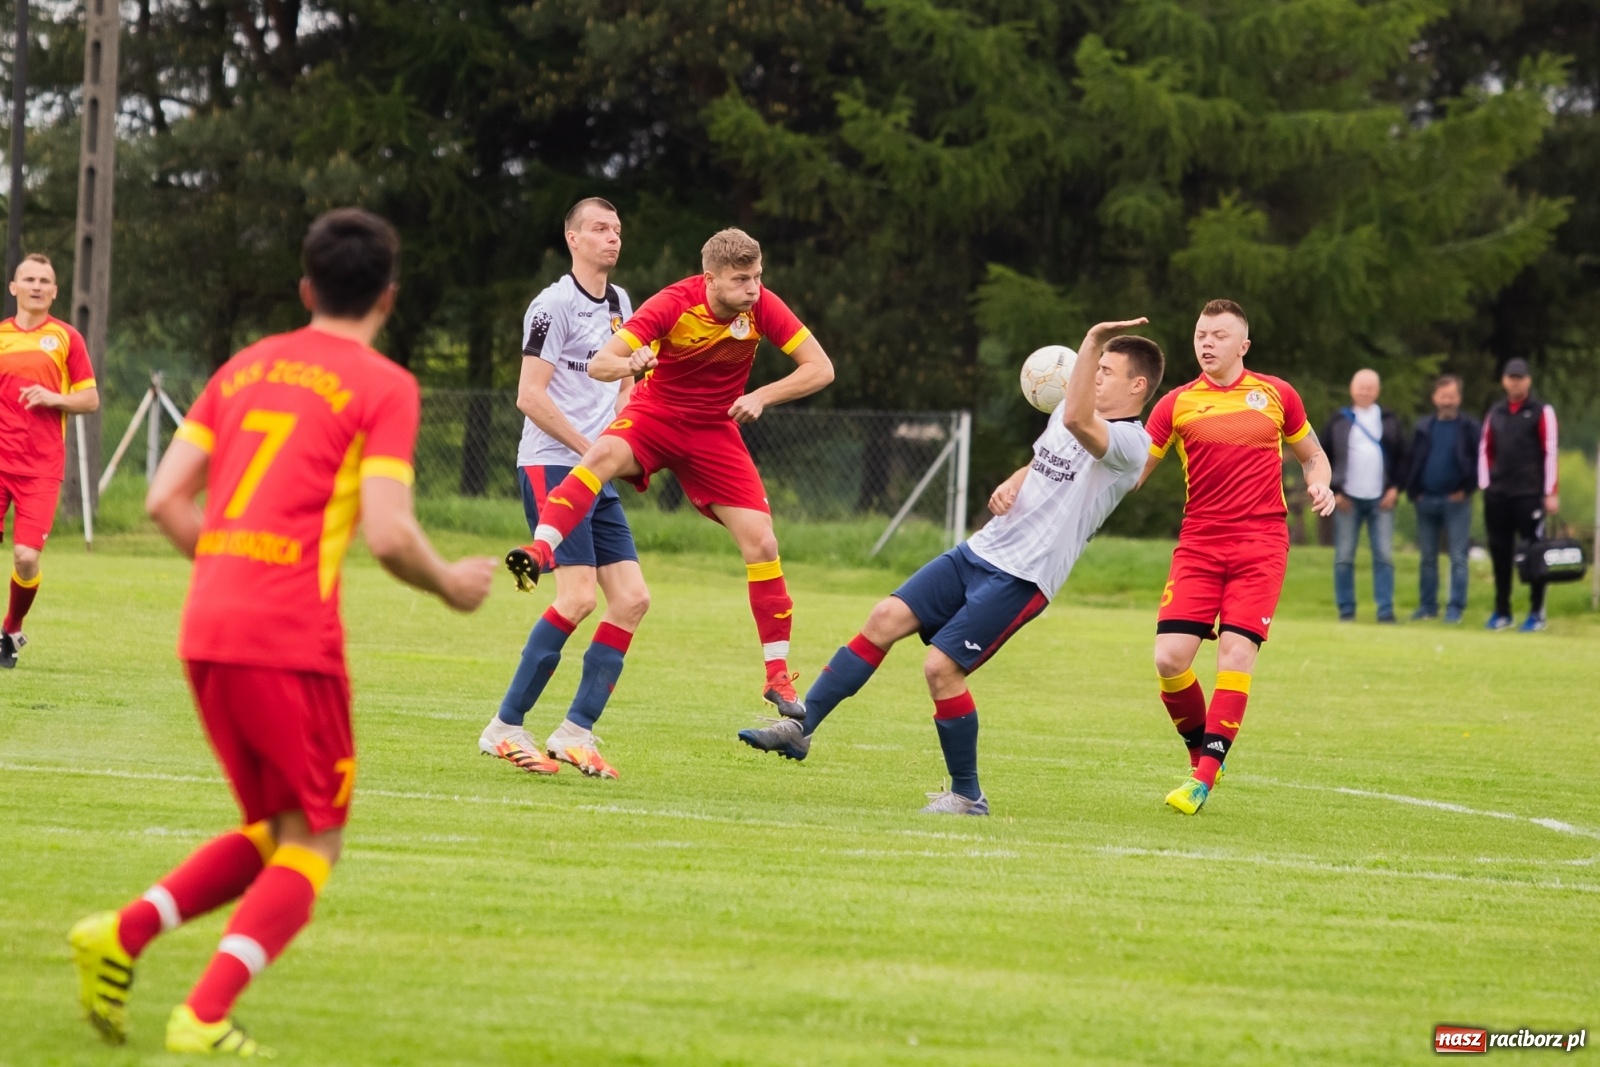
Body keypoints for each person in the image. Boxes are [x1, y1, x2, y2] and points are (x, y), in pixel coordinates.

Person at [68, 209, 496, 1056]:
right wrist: (452, 584)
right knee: (318, 836)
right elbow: (388, 531)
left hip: (208, 626)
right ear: (389, 298)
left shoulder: (243, 368)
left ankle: (121, 933)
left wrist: (231, 569)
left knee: (277, 825)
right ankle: (203, 1015)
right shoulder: (383, 386)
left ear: (305, 288)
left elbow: (163, 500)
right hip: (289, 638)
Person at [737, 321, 1163, 814]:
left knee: (941, 670)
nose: (1092, 377)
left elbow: (1078, 430)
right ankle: (799, 728)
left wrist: (1090, 342)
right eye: (1096, 367)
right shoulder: (1070, 411)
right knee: (882, 619)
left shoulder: (1132, 444)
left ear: (1137, 386)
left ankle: (967, 795)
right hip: (979, 551)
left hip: (1023, 576)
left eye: (1106, 371)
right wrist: (1014, 481)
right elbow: (1049, 456)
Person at [507, 228, 833, 718]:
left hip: (713, 432)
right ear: (710, 279)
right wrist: (630, 362)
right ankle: (541, 546)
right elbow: (600, 364)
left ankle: (777, 675)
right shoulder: (673, 302)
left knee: (762, 542)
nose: (752, 289)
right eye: (741, 279)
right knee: (598, 457)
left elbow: (820, 368)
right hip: (656, 415)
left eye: (758, 277)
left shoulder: (761, 305)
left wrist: (761, 395)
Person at [478, 198, 650, 779]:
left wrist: (625, 436)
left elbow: (624, 387)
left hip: (593, 470)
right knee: (576, 597)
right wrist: (591, 453)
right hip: (554, 464)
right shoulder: (552, 305)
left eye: (617, 230)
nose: (612, 238)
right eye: (600, 229)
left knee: (631, 599)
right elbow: (530, 396)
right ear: (572, 238)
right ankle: (503, 727)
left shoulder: (623, 304)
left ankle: (575, 731)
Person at [1143, 299, 1335, 816]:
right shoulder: (1176, 405)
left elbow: (1313, 454)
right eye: (1201, 334)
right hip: (1200, 544)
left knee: (1235, 655)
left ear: (1243, 345)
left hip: (1261, 545)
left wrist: (1321, 485)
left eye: (1219, 335)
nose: (1207, 343)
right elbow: (1129, 472)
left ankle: (1201, 781)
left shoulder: (1276, 395)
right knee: (1169, 659)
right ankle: (1206, 753)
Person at [0, 254, 100, 668]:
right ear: (14, 288)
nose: (37, 285)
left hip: (40, 466)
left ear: (55, 292)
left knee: (25, 556)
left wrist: (54, 398)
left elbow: (90, 399)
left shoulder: (66, 338)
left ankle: (10, 628)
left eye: (45, 280)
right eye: (29, 279)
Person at [1479, 357, 1559, 632]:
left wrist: (1550, 491)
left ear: (1528, 380)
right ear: (1504, 381)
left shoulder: (1541, 411)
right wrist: (1486, 484)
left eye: (1520, 377)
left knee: (1533, 552)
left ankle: (1537, 612)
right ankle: (1503, 611)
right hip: (1499, 493)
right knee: (1500, 551)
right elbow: (1485, 450)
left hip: (1529, 492)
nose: (1515, 382)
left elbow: (1550, 451)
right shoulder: (1496, 412)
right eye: (1511, 377)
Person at [1323, 369, 1406, 623]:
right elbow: (1320, 456)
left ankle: (1385, 610)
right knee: (1344, 557)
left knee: (1384, 556)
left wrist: (1395, 488)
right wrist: (1334, 492)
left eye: (1370, 387)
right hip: (1347, 499)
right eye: (1361, 387)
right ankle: (1346, 610)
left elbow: (1403, 456)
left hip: (1381, 498)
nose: (1365, 392)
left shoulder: (1389, 420)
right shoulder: (1338, 421)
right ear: (1352, 389)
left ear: (1377, 391)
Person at [1406, 374, 1480, 623]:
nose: (1447, 401)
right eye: (1442, 396)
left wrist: (1466, 490)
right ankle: (1427, 606)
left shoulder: (1469, 428)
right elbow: (1412, 459)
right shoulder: (1424, 427)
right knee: (1427, 558)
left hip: (1456, 501)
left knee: (1458, 557)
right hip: (1426, 500)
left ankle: (1455, 608)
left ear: (1459, 398)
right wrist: (1414, 491)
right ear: (1434, 398)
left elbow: (1478, 463)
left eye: (1451, 396)